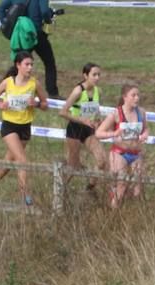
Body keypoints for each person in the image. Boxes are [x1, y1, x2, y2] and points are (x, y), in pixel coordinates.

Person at [0, 51, 48, 208]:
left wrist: (38, 104)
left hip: (25, 127)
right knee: (22, 160)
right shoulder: (8, 82)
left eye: (32, 64)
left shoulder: (35, 84)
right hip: (9, 126)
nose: (30, 67)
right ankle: (26, 197)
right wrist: (0, 104)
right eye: (27, 64)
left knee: (9, 162)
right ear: (18, 65)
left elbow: (46, 104)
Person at [95, 83, 149, 209]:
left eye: (138, 95)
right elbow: (98, 133)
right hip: (119, 153)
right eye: (133, 95)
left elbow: (146, 129)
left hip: (136, 154)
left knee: (138, 189)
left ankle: (133, 216)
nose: (137, 98)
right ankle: (113, 218)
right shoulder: (115, 114)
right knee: (121, 186)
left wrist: (145, 135)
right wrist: (114, 133)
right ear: (125, 97)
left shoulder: (141, 112)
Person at [60, 62, 107, 190]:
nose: (97, 78)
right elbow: (62, 112)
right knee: (73, 166)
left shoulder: (98, 91)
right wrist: (82, 120)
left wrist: (98, 120)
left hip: (89, 130)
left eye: (99, 75)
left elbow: (95, 110)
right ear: (85, 75)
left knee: (102, 160)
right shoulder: (78, 91)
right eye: (94, 75)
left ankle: (89, 188)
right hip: (75, 129)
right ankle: (60, 190)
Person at [7, 0, 60, 98]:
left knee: (19, 63)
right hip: (37, 35)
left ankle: (7, 86)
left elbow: (1, 9)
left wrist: (7, 25)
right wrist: (49, 17)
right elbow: (44, 12)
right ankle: (53, 93)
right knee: (49, 63)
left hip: (23, 36)